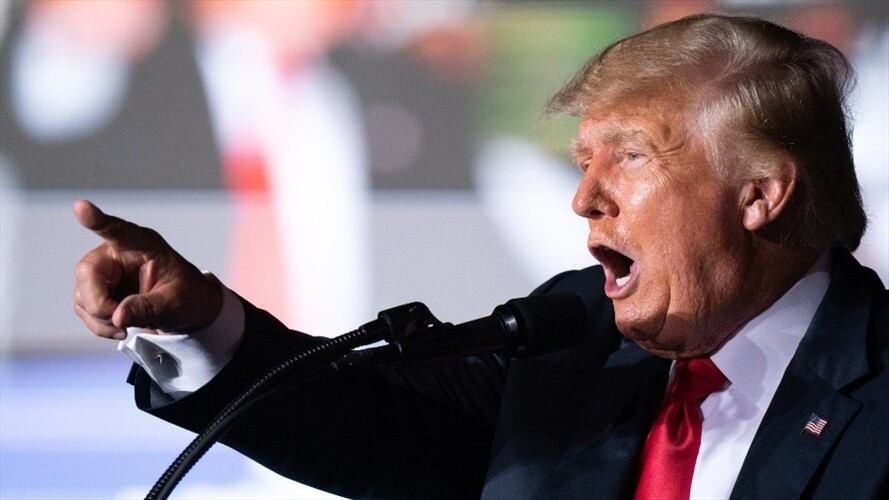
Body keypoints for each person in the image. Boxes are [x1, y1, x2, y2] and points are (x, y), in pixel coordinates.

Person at [73, 14, 888, 499]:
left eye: (631, 158)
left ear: (759, 194)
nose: (584, 199)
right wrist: (200, 323)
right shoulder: (575, 344)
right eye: (582, 162)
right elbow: (358, 424)